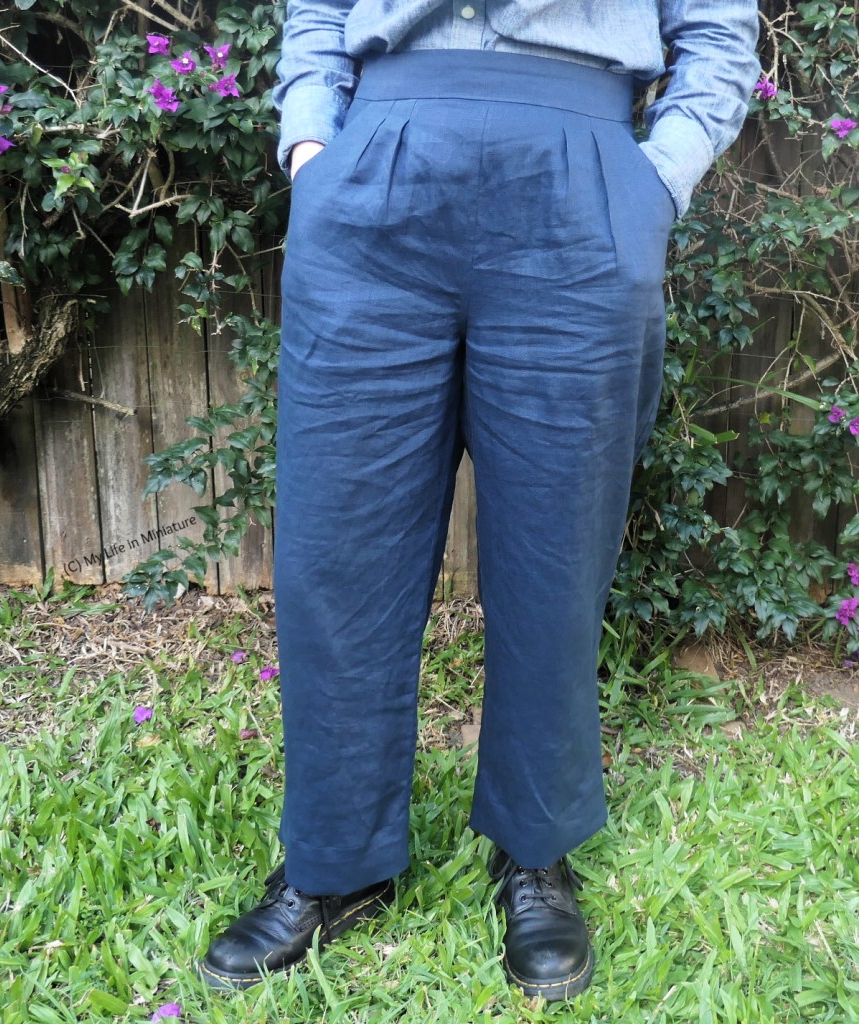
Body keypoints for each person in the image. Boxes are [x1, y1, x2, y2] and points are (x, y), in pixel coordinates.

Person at [197, 0, 760, 1002]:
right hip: (376, 163)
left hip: (581, 174)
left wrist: (653, 181)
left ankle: (533, 851)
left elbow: (718, 32)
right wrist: (312, 145)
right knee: (339, 548)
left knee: (555, 553)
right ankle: (336, 859)